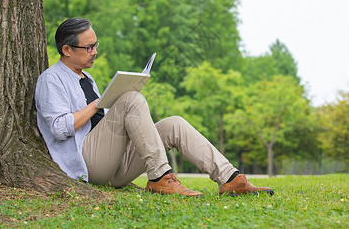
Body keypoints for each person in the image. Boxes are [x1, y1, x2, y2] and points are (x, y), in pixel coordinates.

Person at [35, 17, 274, 197]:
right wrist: (101, 102)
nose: (94, 52)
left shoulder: (88, 79)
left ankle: (231, 179)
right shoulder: (51, 79)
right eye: (88, 47)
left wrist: (113, 103)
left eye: (95, 45)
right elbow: (59, 128)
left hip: (114, 165)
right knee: (130, 99)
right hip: (87, 163)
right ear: (66, 50)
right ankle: (160, 177)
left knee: (174, 124)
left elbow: (102, 122)